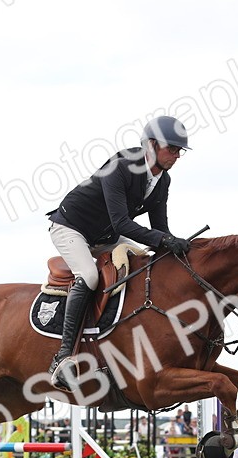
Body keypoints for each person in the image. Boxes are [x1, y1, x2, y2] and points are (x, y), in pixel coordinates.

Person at [45, 115, 191, 388]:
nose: (176, 156)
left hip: (106, 235)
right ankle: (63, 358)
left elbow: (159, 228)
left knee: (146, 263)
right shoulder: (121, 168)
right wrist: (164, 239)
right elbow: (122, 223)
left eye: (179, 151)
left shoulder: (163, 180)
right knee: (88, 276)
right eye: (171, 148)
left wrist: (176, 245)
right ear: (151, 145)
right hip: (71, 227)